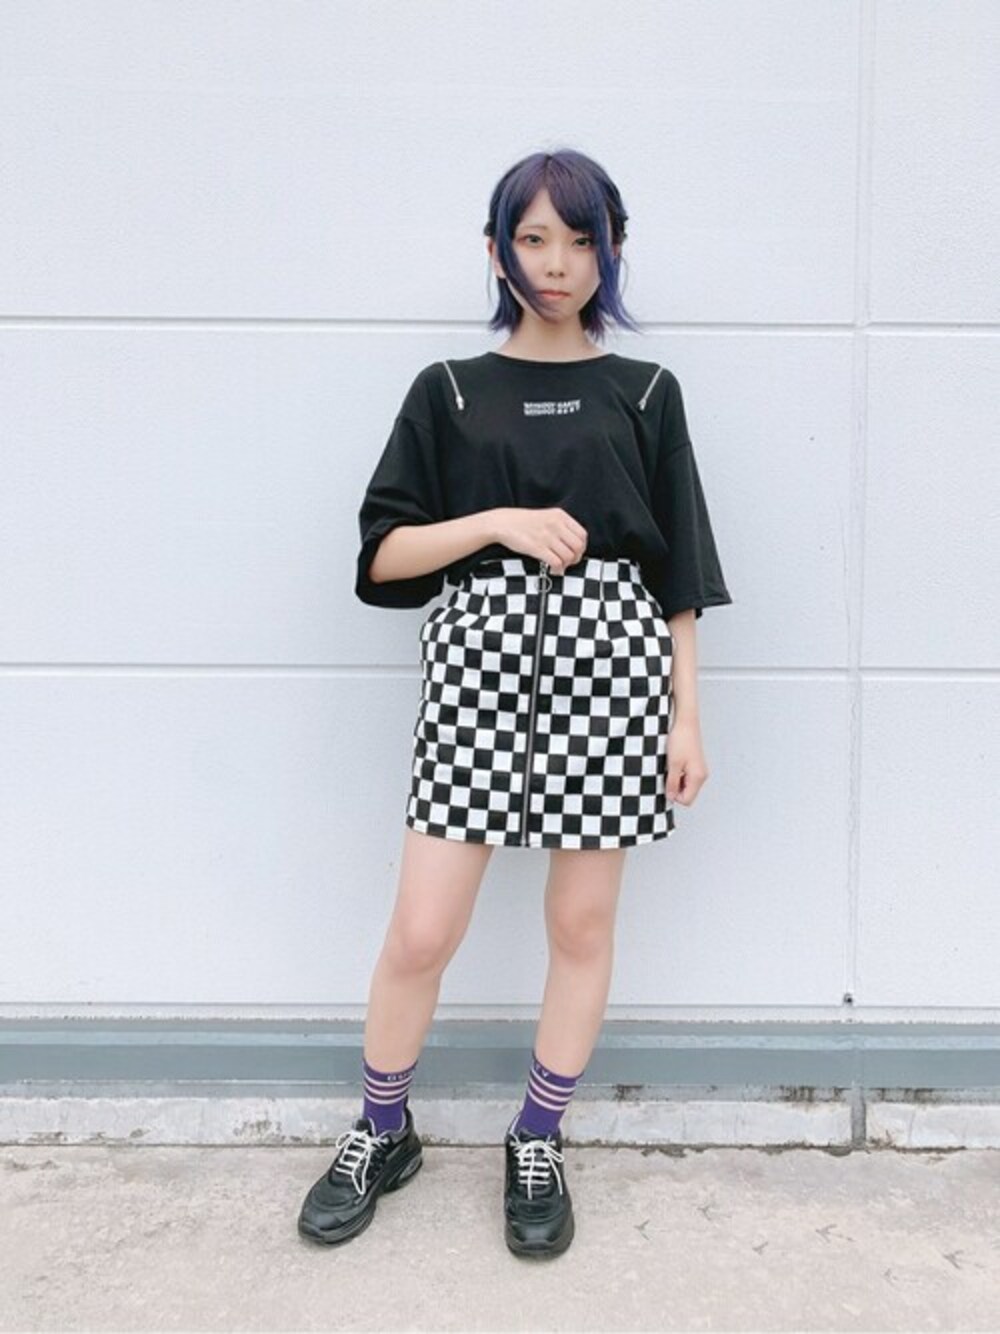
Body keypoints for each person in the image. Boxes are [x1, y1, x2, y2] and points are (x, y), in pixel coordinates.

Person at [297, 147, 732, 1259]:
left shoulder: (646, 392)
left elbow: (678, 571)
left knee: (580, 924)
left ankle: (536, 1135)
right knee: (422, 928)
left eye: (581, 240)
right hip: (476, 678)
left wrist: (685, 715)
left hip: (614, 676)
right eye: (533, 238)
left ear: (612, 250)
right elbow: (384, 555)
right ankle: (381, 1127)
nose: (557, 263)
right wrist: (498, 521)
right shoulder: (447, 390)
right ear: (496, 251)